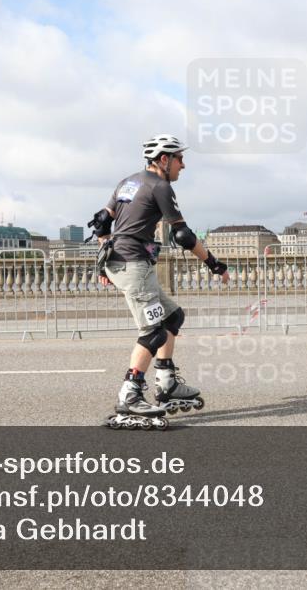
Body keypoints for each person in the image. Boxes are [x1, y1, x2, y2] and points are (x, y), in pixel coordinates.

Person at [88, 134, 230, 430]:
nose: (183, 165)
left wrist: (105, 260)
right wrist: (215, 265)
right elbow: (184, 236)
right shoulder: (160, 186)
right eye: (179, 159)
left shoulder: (127, 182)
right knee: (153, 332)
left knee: (172, 317)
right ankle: (130, 395)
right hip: (134, 265)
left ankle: (166, 382)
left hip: (126, 261)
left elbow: (101, 222)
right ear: (164, 159)